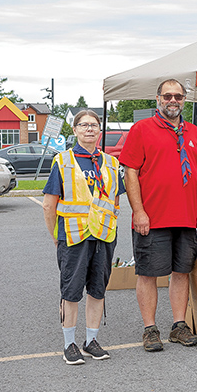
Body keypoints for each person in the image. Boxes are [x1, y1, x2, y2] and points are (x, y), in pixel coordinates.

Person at [121, 79, 197, 352]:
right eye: (167, 96)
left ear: (184, 99)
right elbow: (131, 173)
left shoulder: (194, 133)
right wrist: (138, 211)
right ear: (158, 98)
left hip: (186, 219)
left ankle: (178, 326)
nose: (172, 100)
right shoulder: (141, 129)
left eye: (178, 96)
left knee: (182, 272)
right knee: (148, 274)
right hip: (152, 219)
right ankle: (150, 328)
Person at [43, 110, 125, 364]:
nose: (89, 129)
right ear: (75, 130)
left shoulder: (110, 163)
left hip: (103, 236)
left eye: (94, 125)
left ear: (99, 131)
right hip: (74, 236)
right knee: (71, 291)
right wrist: (56, 236)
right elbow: (49, 205)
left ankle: (91, 340)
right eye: (84, 125)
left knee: (98, 291)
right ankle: (69, 345)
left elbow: (115, 200)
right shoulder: (63, 161)